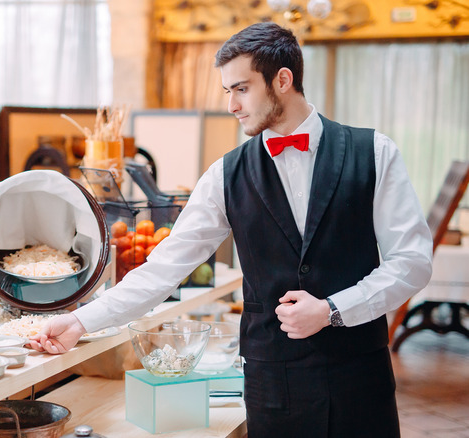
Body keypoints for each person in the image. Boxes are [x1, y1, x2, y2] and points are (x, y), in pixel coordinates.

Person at [29, 22, 432, 437]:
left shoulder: (376, 152)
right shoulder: (224, 174)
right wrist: (80, 322)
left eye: (241, 88)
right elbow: (162, 269)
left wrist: (332, 310)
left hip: (360, 380)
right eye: (227, 92)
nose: (231, 105)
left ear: (283, 80)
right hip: (274, 385)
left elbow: (413, 263)